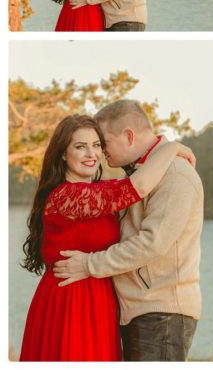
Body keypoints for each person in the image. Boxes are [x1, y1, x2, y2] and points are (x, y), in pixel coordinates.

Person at [19, 115, 194, 361]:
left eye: (97, 145)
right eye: (80, 147)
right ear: (62, 154)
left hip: (99, 298)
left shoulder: (98, 192)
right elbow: (138, 187)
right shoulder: (66, 196)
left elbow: (129, 188)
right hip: (71, 299)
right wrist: (171, 147)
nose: (92, 154)